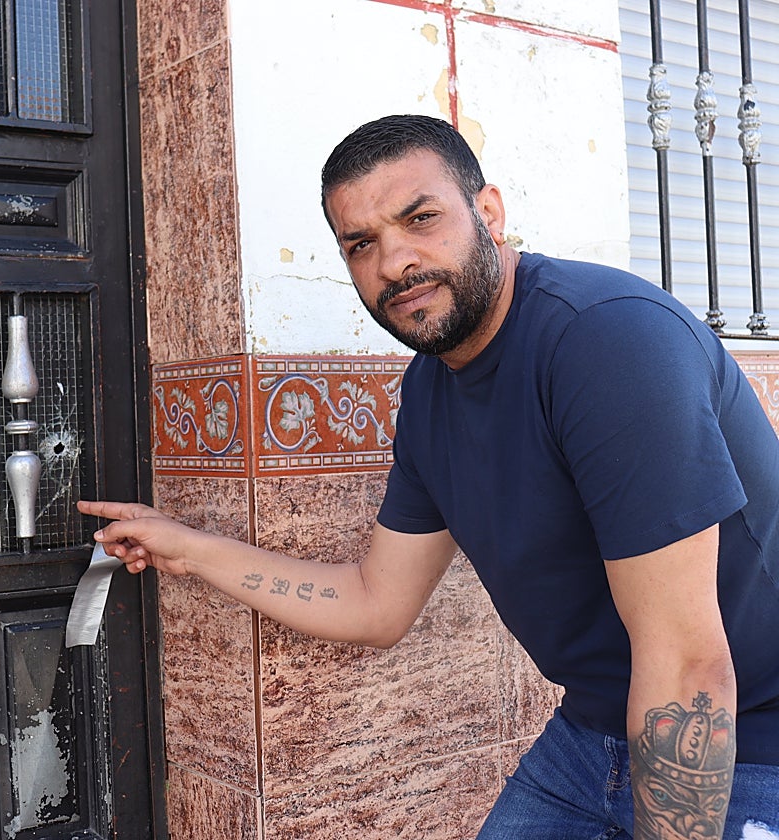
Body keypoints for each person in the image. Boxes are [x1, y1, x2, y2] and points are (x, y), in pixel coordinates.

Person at [79, 115, 779, 838]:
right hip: (591, 733)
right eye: (362, 244)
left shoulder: (606, 340)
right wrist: (184, 548)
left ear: (490, 212)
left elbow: (688, 664)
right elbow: (376, 602)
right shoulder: (430, 394)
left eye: (421, 219)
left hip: (744, 741)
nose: (395, 263)